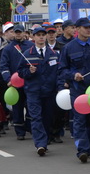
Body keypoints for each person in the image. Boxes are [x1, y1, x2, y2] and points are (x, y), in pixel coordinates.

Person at [57, 17, 90, 163]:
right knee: (80, 120)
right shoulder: (69, 48)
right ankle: (82, 150)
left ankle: (89, 149)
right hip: (78, 89)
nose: (89, 30)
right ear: (78, 29)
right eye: (85, 27)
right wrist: (73, 76)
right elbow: (62, 70)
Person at [18, 26, 59, 156]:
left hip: (49, 92)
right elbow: (20, 72)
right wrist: (28, 72)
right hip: (33, 91)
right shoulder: (27, 54)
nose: (41, 37)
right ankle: (40, 144)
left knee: (47, 118)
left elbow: (57, 73)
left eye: (43, 34)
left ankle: (45, 140)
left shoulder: (53, 54)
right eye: (38, 35)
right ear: (33, 37)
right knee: (36, 117)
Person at [0, 24, 33, 140]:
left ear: (24, 33)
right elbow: (3, 66)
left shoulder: (31, 46)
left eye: (20, 32)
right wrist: (8, 80)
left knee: (31, 105)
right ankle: (19, 131)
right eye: (16, 32)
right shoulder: (8, 49)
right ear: (13, 33)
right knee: (17, 107)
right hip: (15, 83)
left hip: (29, 82)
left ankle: (29, 126)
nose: (18, 34)